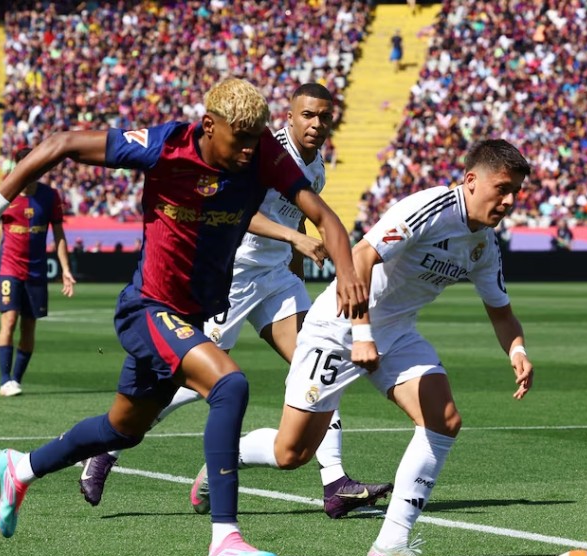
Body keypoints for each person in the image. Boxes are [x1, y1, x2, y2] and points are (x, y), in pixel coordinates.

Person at [0, 78, 367, 556]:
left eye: (253, 140)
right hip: (147, 308)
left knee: (121, 429)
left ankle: (20, 469)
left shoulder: (262, 155)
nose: (247, 152)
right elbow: (61, 144)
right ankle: (224, 538)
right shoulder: (165, 146)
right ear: (209, 127)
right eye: (238, 140)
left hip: (190, 315)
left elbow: (324, 217)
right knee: (229, 383)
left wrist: (347, 274)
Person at [202, 138, 534, 556]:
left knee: (443, 418)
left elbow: (501, 310)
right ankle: (222, 460)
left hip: (395, 334)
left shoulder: (483, 245)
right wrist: (360, 334)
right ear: (471, 181)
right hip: (339, 327)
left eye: (516, 193)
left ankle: (391, 545)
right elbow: (359, 257)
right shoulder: (430, 209)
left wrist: (517, 349)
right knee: (291, 453)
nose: (508, 201)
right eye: (502, 188)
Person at [78, 83, 392, 519]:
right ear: (289, 116)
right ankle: (107, 448)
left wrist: (294, 267)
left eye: (324, 117)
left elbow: (297, 212)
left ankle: (335, 482)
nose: (317, 124)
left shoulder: (315, 165)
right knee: (192, 379)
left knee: (321, 360)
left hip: (276, 278)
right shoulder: (261, 151)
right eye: (308, 115)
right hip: (233, 274)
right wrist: (293, 238)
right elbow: (244, 209)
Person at [0, 148, 76, 397]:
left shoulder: (50, 196)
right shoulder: (5, 193)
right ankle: (5, 380)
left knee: (29, 327)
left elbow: (58, 234)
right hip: (10, 269)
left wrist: (65, 269)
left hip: (36, 273)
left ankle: (16, 379)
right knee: (10, 320)